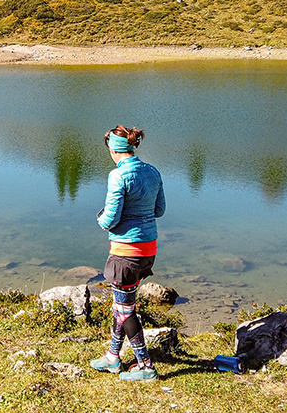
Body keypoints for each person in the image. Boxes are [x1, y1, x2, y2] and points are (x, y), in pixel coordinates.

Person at [90, 125, 166, 381]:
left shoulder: (118, 176)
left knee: (125, 310)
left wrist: (100, 218)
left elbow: (110, 219)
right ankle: (113, 357)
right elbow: (159, 210)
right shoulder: (153, 172)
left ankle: (146, 366)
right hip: (148, 249)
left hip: (126, 252)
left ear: (113, 150)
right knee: (121, 305)